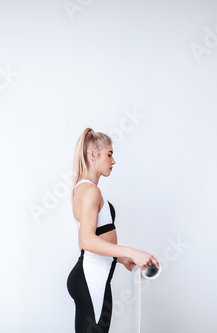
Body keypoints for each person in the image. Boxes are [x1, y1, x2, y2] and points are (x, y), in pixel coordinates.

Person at [67, 128, 159, 333]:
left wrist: (120, 259)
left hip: (92, 276)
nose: (113, 160)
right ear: (93, 154)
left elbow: (93, 241)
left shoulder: (82, 189)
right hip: (93, 280)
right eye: (109, 154)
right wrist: (132, 252)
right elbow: (87, 241)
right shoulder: (91, 191)